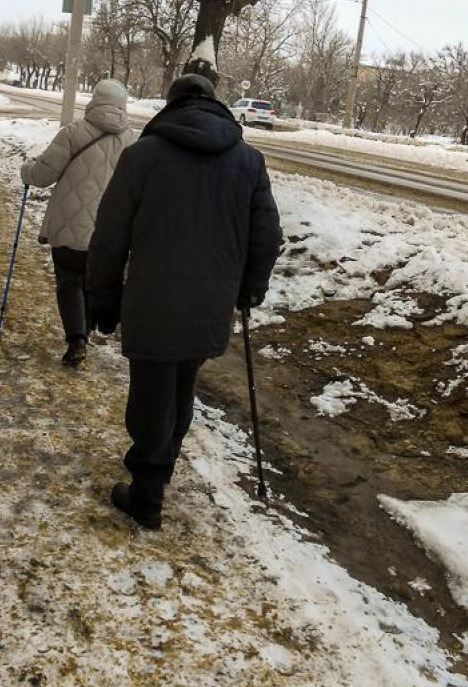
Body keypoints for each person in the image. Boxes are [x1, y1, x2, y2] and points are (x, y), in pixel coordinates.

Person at [87, 73, 283, 529]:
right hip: (211, 304)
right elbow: (267, 235)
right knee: (179, 388)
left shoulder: (143, 156)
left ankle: (147, 496)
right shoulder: (249, 161)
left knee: (152, 399)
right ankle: (161, 470)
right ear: (215, 105)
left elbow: (109, 236)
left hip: (153, 301)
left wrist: (103, 299)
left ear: (170, 107)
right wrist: (251, 288)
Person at [21, 79, 135, 367]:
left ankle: (77, 339)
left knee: (70, 281)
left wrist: (27, 170)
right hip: (110, 232)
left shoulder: (73, 132)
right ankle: (88, 327)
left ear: (94, 100)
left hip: (70, 225)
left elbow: (43, 175)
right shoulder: (133, 141)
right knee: (93, 279)